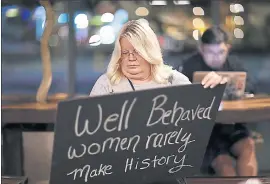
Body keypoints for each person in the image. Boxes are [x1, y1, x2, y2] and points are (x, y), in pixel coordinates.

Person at [180, 27, 257, 176]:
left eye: (221, 52)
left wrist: (229, 83)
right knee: (223, 163)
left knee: (248, 145)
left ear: (228, 48)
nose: (216, 57)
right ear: (202, 50)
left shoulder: (234, 63)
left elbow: (251, 86)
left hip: (232, 126)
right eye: (211, 52)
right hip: (205, 131)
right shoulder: (189, 66)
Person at [90, 19, 226, 97]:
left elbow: (197, 115)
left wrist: (213, 90)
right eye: (125, 53)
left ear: (150, 51)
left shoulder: (174, 80)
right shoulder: (106, 84)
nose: (130, 58)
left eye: (137, 52)